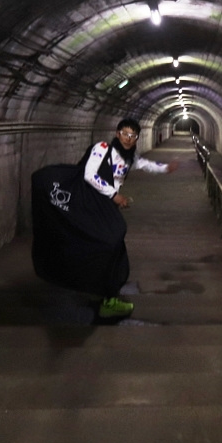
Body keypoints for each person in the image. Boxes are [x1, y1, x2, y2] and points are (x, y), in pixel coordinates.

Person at [83, 117, 179, 318]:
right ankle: (106, 298)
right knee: (111, 248)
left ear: (137, 139)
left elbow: (146, 164)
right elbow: (89, 174)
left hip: (108, 208)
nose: (128, 138)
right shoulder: (102, 148)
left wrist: (165, 168)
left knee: (108, 249)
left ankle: (101, 293)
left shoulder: (129, 157)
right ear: (117, 134)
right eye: (125, 134)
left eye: (132, 136)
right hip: (93, 206)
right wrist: (114, 195)